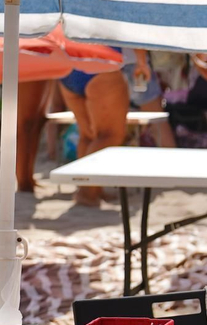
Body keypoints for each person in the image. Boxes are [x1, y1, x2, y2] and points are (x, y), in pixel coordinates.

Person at [60, 48, 149, 206]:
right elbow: (136, 34)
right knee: (110, 136)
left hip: (69, 66)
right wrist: (142, 62)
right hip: (101, 63)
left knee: (88, 135)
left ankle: (93, 189)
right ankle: (87, 193)